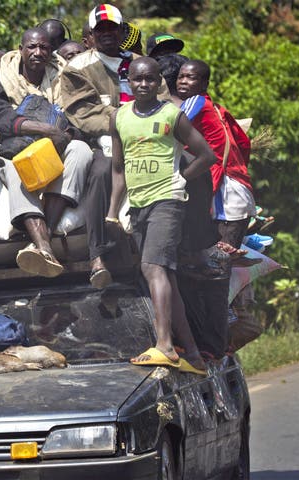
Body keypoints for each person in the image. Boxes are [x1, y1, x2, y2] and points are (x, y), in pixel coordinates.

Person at [107, 57, 217, 373]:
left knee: (151, 266)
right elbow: (118, 168)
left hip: (168, 201)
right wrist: (113, 211)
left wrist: (183, 178)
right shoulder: (119, 117)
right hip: (138, 203)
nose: (143, 85)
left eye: (150, 80)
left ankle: (165, 345)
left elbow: (206, 154)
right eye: (137, 80)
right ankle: (194, 355)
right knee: (165, 275)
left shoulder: (172, 114)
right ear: (128, 82)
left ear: (159, 83)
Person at [0, 28, 93, 277]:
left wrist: (64, 136)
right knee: (16, 166)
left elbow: (79, 117)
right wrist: (45, 129)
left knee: (81, 150)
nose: (38, 53)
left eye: (44, 48)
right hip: (16, 148)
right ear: (21, 49)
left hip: (58, 147)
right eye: (32, 47)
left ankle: (39, 246)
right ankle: (45, 245)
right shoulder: (1, 77)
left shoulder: (65, 76)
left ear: (51, 51)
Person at [60, 3, 139, 288]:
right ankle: (97, 256)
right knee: (101, 171)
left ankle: (197, 244)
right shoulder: (77, 68)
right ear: (92, 33)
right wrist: (128, 119)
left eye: (112, 28)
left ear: (122, 31)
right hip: (100, 141)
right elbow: (83, 114)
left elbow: (162, 99)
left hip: (145, 139)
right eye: (100, 28)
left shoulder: (138, 63)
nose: (107, 33)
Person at [177, 59, 255, 248]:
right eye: (181, 77)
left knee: (219, 264)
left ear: (204, 84)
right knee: (224, 265)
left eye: (191, 77)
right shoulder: (214, 107)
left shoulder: (195, 101)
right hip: (236, 193)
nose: (183, 81)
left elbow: (171, 127)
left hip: (226, 198)